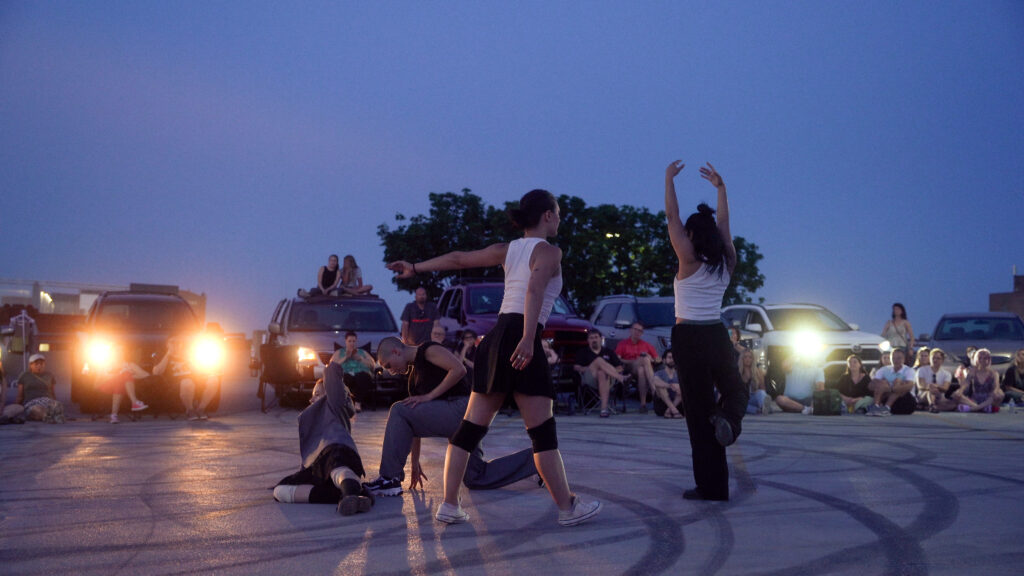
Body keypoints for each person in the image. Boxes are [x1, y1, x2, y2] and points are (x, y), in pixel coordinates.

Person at [387, 188, 602, 526]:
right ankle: (568, 507)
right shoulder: (549, 252)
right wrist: (530, 339)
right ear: (547, 215)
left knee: (470, 430)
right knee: (542, 433)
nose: (559, 219)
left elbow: (458, 259)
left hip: (496, 337)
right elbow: (533, 290)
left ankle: (449, 504)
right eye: (558, 213)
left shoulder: (508, 250)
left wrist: (415, 267)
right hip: (521, 335)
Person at [665, 160, 749, 502]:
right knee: (736, 391)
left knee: (699, 416)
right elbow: (725, 224)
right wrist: (721, 188)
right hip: (716, 333)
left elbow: (672, 218)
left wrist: (669, 179)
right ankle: (729, 417)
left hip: (688, 338)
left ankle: (711, 488)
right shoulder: (727, 263)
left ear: (692, 235)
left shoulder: (688, 260)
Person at [363, 337, 538, 497]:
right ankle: (538, 460)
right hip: (463, 419)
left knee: (398, 409)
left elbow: (459, 369)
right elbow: (412, 425)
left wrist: (429, 396)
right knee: (475, 477)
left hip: (462, 408)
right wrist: (414, 463)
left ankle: (389, 479)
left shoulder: (427, 350)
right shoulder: (413, 380)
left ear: (396, 351)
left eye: (388, 365)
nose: (391, 372)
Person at [273, 359, 375, 516]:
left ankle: (350, 494)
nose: (311, 399)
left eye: (317, 394)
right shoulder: (311, 419)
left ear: (331, 393)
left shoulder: (333, 405)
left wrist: (332, 363)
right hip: (318, 464)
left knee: (337, 468)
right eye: (312, 395)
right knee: (280, 491)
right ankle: (349, 495)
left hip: (336, 449)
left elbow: (333, 375)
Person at [152, 336, 219, 420]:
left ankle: (201, 409)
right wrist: (168, 355)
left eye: (178, 343)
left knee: (213, 379)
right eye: (172, 342)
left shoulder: (188, 354)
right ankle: (190, 410)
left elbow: (199, 371)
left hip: (194, 379)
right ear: (167, 345)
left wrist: (190, 360)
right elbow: (156, 372)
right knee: (187, 382)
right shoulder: (162, 355)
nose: (176, 345)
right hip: (175, 383)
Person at [574, 329, 627, 418]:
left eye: (596, 337)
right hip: (590, 378)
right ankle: (620, 378)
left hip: (608, 379)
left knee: (602, 373)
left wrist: (608, 369)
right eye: (591, 338)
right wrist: (589, 367)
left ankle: (603, 410)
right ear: (588, 340)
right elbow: (576, 367)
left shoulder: (609, 352)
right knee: (598, 360)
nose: (594, 340)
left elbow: (620, 367)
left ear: (601, 339)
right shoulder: (583, 352)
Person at [95, 346, 150, 424]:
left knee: (123, 379)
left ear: (123, 353)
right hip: (106, 386)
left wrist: (130, 376)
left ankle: (114, 415)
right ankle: (134, 402)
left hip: (123, 386)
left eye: (120, 351)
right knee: (124, 376)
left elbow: (146, 374)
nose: (118, 353)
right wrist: (117, 376)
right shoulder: (105, 364)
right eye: (116, 351)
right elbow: (97, 383)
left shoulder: (129, 364)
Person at [614, 322, 660, 413]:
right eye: (635, 329)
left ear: (642, 333)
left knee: (642, 370)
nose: (637, 332)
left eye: (640, 331)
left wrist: (651, 359)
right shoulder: (623, 344)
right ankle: (655, 390)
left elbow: (658, 359)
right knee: (644, 360)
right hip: (628, 369)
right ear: (630, 330)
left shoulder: (646, 345)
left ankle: (643, 405)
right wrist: (634, 361)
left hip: (642, 370)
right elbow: (617, 359)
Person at [12, 354, 65, 423]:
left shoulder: (49, 375)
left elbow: (52, 392)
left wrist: (55, 402)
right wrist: (16, 407)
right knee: (37, 409)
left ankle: (54, 414)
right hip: (31, 402)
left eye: (41, 364)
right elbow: (20, 396)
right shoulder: (24, 376)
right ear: (30, 365)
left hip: (47, 400)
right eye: (36, 364)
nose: (39, 366)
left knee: (57, 405)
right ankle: (48, 416)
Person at [331, 331, 376, 413]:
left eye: (353, 341)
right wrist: (346, 357)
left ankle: (357, 403)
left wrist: (360, 359)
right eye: (349, 341)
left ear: (356, 341)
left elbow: (372, 365)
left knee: (363, 377)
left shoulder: (362, 352)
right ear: (346, 341)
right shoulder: (339, 352)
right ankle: (346, 404)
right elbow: (332, 365)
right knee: (344, 378)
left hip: (361, 374)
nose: (352, 343)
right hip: (345, 374)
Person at [867, 348, 917, 416]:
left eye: (899, 358)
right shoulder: (883, 370)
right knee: (882, 383)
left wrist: (890, 388)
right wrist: (882, 384)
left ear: (904, 359)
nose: (896, 360)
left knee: (899, 384)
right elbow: (871, 385)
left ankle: (887, 407)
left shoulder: (909, 370)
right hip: (887, 397)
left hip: (906, 401)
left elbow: (909, 386)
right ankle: (876, 406)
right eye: (893, 358)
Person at [953, 348, 1004, 412]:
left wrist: (995, 392)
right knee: (955, 394)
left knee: (1000, 394)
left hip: (989, 398)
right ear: (976, 360)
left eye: (985, 358)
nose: (982, 360)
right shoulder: (972, 371)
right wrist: (960, 391)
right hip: (975, 399)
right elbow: (966, 383)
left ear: (989, 360)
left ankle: (973, 408)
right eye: (980, 358)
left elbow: (997, 386)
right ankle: (982, 408)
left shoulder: (994, 373)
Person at [916, 348, 957, 413]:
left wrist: (936, 386)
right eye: (933, 358)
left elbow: (945, 388)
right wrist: (930, 387)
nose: (935, 360)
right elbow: (920, 386)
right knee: (931, 391)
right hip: (924, 395)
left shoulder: (947, 374)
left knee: (953, 405)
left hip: (939, 396)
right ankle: (932, 405)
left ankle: (927, 407)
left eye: (938, 358)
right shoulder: (921, 370)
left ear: (942, 360)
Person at [653, 349, 684, 418]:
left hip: (677, 405)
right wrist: (669, 385)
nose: (672, 360)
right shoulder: (659, 373)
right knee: (660, 387)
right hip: (662, 405)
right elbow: (655, 381)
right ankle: (673, 410)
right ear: (664, 360)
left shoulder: (679, 374)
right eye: (669, 358)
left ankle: (669, 410)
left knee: (683, 388)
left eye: (673, 358)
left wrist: (679, 386)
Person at [739, 349, 769, 415]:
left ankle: (763, 407)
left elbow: (763, 389)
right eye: (745, 357)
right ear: (742, 359)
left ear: (753, 359)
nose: (747, 359)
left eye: (750, 357)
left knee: (761, 393)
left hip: (753, 397)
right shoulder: (738, 372)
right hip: (743, 400)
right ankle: (759, 410)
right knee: (737, 403)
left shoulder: (758, 372)